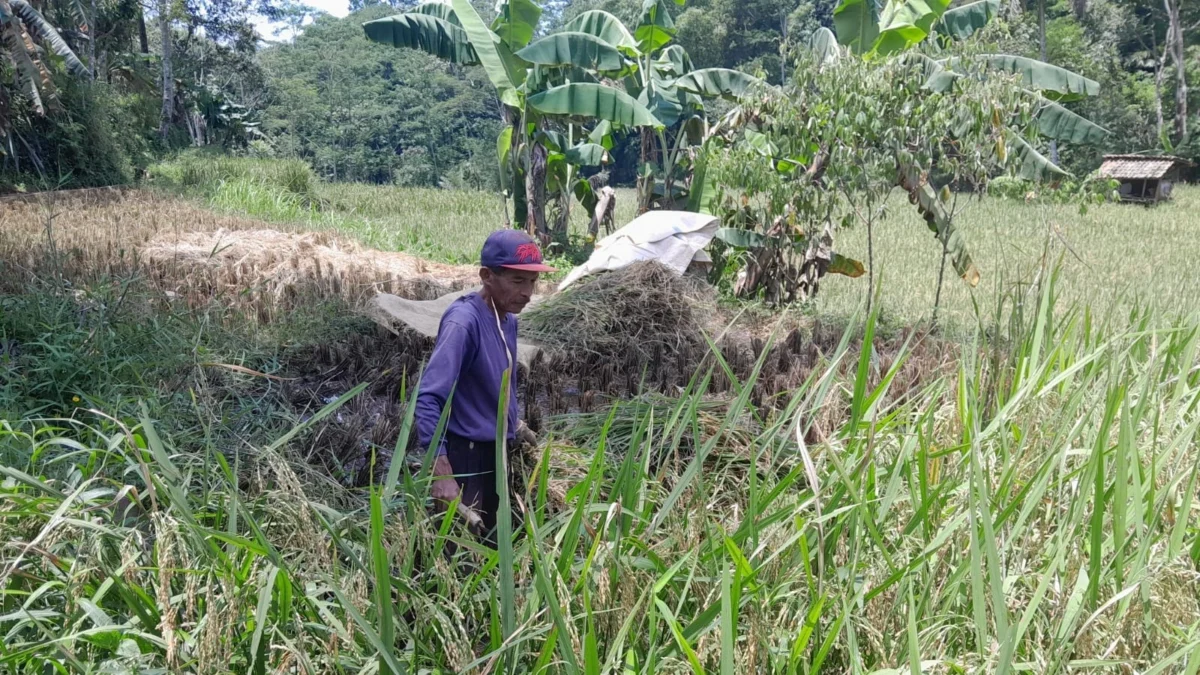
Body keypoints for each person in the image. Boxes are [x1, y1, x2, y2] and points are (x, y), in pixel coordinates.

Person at [415, 230, 553, 538]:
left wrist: (513, 422)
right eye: (518, 281)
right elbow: (428, 399)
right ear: (486, 275)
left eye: (533, 281)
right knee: (461, 557)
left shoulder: (508, 320)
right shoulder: (464, 323)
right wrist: (443, 475)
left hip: (498, 453)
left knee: (497, 547)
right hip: (467, 457)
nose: (528, 292)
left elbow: (496, 382)